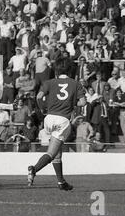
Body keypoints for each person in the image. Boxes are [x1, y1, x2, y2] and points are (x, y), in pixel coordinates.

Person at [28, 58, 86, 190]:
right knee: (52, 153)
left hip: (49, 118)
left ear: (56, 71)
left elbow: (38, 96)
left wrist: (42, 108)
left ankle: (61, 182)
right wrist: (71, 103)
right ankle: (34, 169)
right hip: (62, 120)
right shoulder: (75, 83)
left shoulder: (49, 82)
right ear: (70, 71)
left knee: (57, 153)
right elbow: (82, 102)